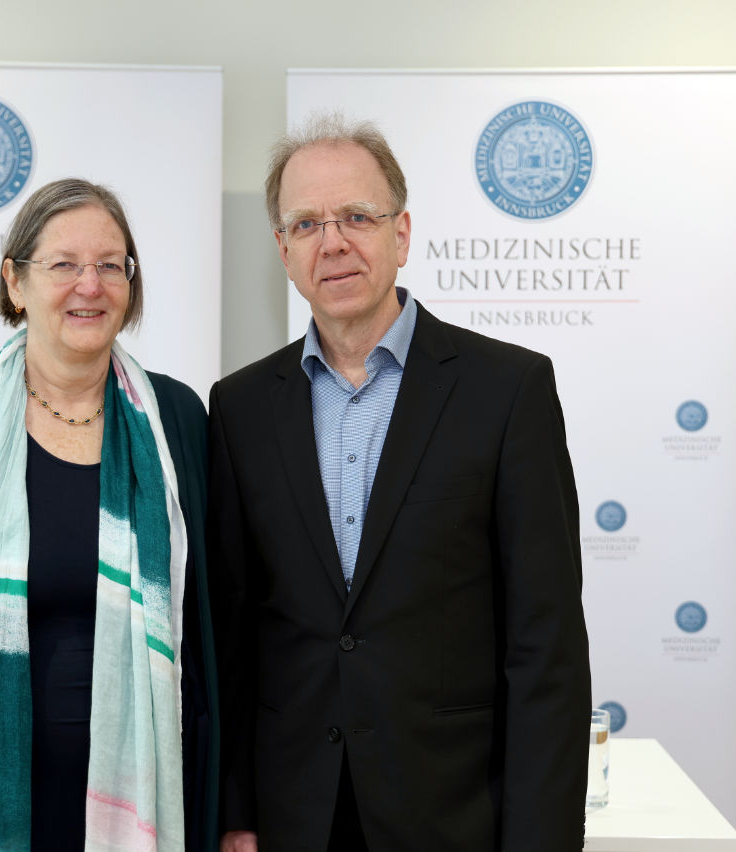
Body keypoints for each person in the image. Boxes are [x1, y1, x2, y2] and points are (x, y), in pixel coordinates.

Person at [209, 116, 591, 852]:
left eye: (357, 216)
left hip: (453, 816)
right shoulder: (241, 408)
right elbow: (235, 640)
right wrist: (235, 812)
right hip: (295, 818)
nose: (334, 241)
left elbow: (546, 650)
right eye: (307, 223)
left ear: (402, 233)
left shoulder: (508, 391)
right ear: (284, 250)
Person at [0, 179, 218, 852]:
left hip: (156, 807)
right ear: (15, 282)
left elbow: (214, 635)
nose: (90, 285)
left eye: (111, 265)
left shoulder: (178, 422)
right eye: (63, 265)